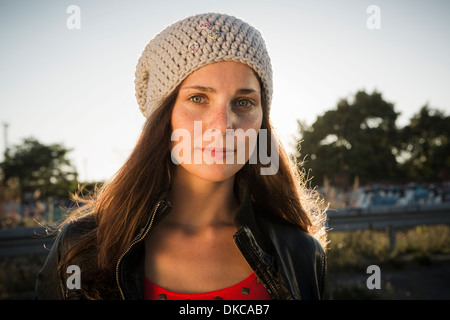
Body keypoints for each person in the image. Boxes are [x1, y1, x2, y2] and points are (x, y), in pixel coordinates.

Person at [35, 12, 328, 300]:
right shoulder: (81, 249)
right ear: (163, 117)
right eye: (198, 98)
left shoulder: (300, 254)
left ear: (262, 119)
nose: (223, 125)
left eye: (243, 102)